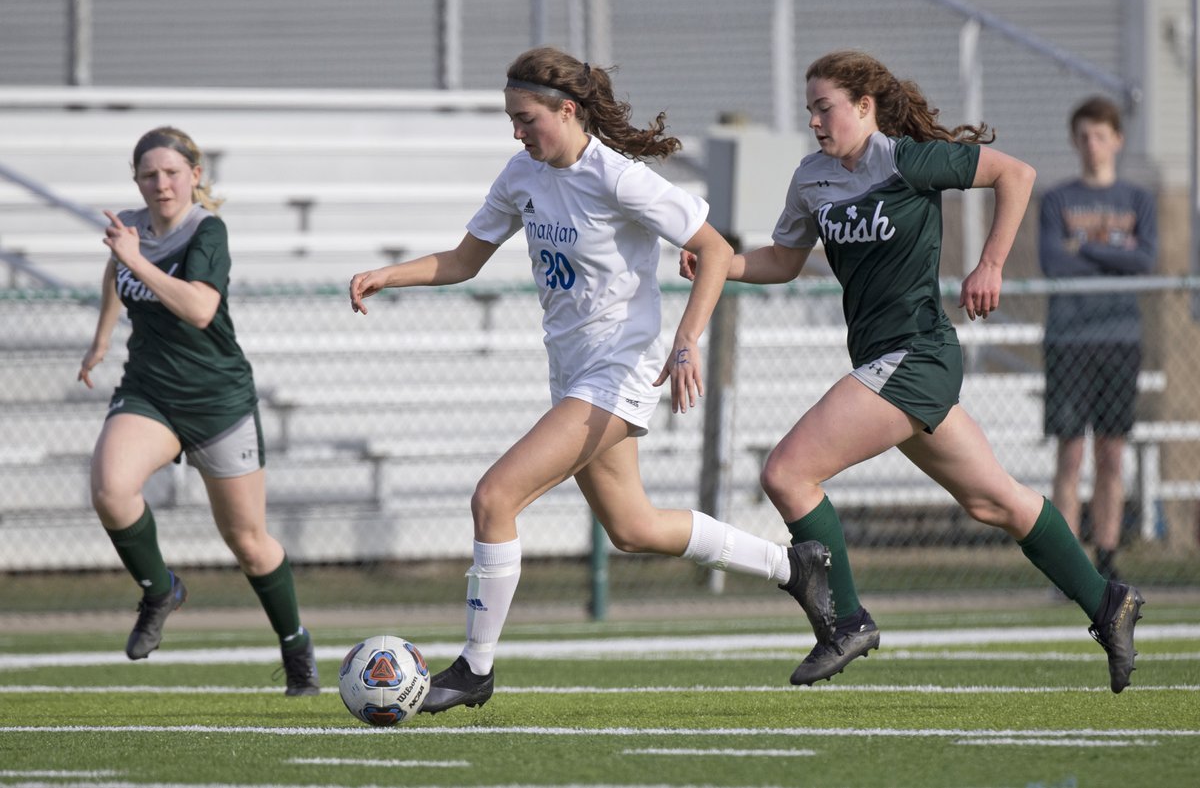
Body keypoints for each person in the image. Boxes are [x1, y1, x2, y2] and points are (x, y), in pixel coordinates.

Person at [348, 46, 835, 714]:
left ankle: (475, 667)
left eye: (525, 120)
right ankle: (794, 566)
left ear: (566, 110)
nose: (517, 133)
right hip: (572, 372)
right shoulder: (523, 174)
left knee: (494, 497)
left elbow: (715, 250)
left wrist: (687, 340)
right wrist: (387, 274)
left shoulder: (618, 178)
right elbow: (465, 259)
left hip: (619, 370)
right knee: (633, 527)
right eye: (512, 121)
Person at [680, 50, 1144, 694]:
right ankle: (1107, 602)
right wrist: (720, 264)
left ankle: (847, 621)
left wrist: (991, 263)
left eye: (826, 107)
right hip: (885, 362)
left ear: (865, 108)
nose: (815, 120)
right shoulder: (812, 178)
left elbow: (1017, 173)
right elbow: (784, 261)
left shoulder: (907, 159)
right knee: (995, 502)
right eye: (810, 108)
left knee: (787, 472)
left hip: (919, 354)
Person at [78, 126, 319, 696]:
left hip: (218, 402)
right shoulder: (132, 230)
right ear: (136, 180)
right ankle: (160, 590)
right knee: (111, 489)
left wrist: (135, 259)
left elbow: (201, 308)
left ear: (196, 175)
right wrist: (102, 338)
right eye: (148, 175)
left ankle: (296, 649)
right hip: (150, 394)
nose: (161, 184)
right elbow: (117, 271)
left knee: (248, 542)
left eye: (171, 172)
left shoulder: (207, 231)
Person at [1038, 96, 1158, 583]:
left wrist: (1083, 243)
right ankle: (1069, 569)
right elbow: (1054, 263)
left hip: (1119, 337)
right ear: (1075, 141)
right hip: (1069, 339)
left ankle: (1106, 559)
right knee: (1071, 453)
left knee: (1111, 453)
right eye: (1084, 136)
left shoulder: (1137, 201)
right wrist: (1111, 248)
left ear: (1117, 140)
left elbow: (1143, 260)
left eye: (1101, 136)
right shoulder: (1057, 199)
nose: (1092, 145)